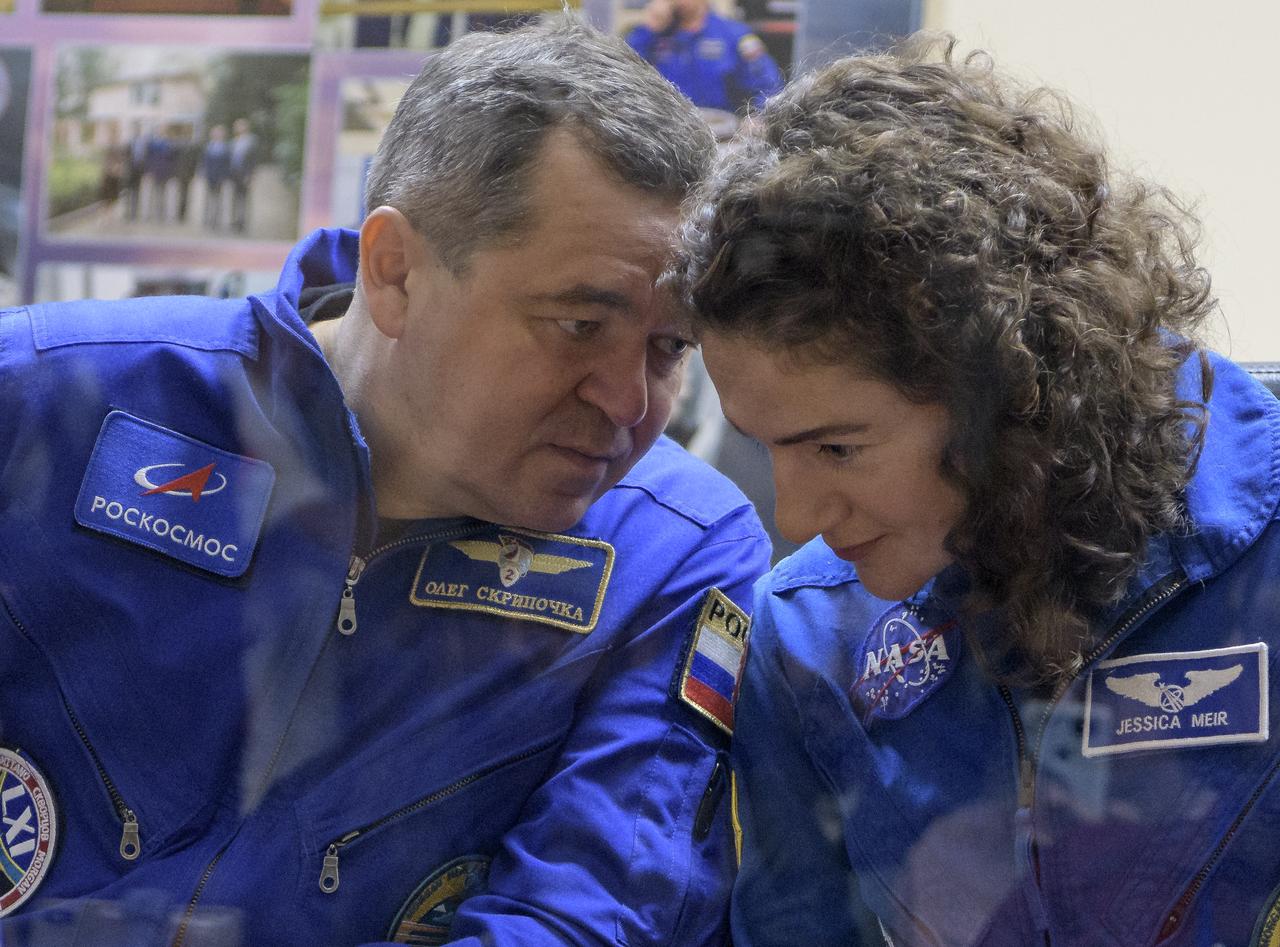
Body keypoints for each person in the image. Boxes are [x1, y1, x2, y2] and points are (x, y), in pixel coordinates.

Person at [0, 18, 769, 946]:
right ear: (395, 270)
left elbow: (576, 921)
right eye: (578, 325)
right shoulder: (50, 394)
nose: (628, 400)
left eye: (669, 346)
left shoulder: (672, 554)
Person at [678, 35, 1280, 946]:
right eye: (768, 451)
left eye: (838, 448)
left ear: (1010, 387)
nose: (797, 518)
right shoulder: (803, 635)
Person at [626, 0, 783, 114]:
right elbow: (624, 73)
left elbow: (770, 85)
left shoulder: (733, 34)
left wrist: (757, 117)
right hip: (665, 127)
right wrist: (649, 29)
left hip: (719, 130)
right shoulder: (652, 34)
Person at [228, 117, 257, 233]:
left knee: (244, 199)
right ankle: (234, 220)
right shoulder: (233, 141)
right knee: (234, 198)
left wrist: (250, 175)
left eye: (241, 126)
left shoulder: (251, 141)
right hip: (234, 174)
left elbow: (253, 160)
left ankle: (242, 222)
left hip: (245, 174)